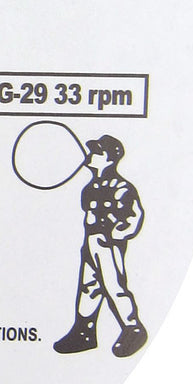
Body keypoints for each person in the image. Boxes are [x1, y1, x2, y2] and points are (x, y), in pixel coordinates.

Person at [53, 135, 148, 358]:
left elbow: (134, 216)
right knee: (89, 287)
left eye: (97, 152)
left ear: (110, 158)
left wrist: (115, 235)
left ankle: (132, 327)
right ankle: (84, 331)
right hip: (90, 241)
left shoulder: (122, 187)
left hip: (108, 244)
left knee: (113, 286)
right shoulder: (90, 188)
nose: (91, 155)